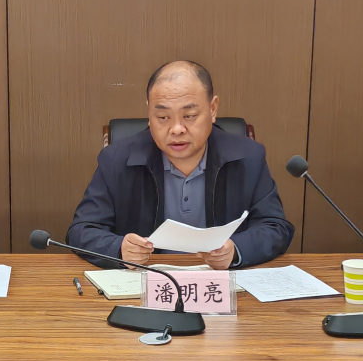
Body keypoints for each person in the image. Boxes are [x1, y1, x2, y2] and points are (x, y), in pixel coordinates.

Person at [68, 60, 293, 269]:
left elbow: (275, 227)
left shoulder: (248, 156)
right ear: (149, 112)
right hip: (147, 282)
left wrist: (236, 250)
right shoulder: (116, 160)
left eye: (190, 115)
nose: (176, 129)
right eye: (163, 117)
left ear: (213, 109)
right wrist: (119, 249)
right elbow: (82, 230)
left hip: (219, 283)